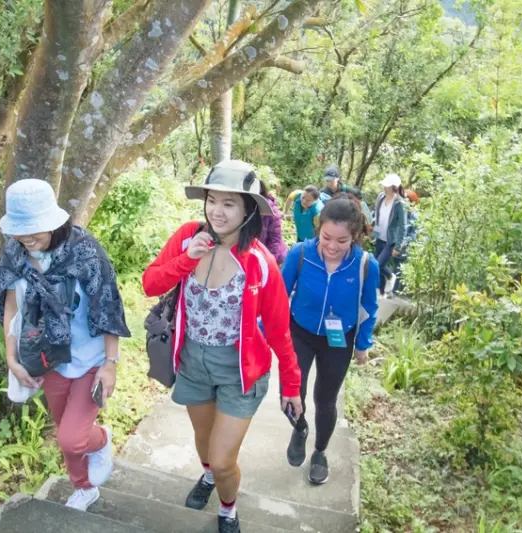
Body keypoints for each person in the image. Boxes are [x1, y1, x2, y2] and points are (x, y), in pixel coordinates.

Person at [143, 160, 302, 533]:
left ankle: (228, 510)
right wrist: (188, 259)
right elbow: (150, 283)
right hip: (192, 361)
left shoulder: (260, 263)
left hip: (239, 370)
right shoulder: (188, 237)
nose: (217, 211)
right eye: (212, 200)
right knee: (204, 445)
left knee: (223, 458)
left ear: (248, 210)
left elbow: (279, 331)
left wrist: (292, 385)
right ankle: (208, 477)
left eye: (229, 203)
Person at [0, 179, 131, 512]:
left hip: (90, 359)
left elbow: (108, 306)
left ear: (53, 222)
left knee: (72, 439)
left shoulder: (85, 252)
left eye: (34, 230)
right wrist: (12, 359)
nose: (27, 238)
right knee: (65, 433)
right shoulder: (14, 254)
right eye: (20, 231)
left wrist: (110, 363)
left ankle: (101, 439)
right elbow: (11, 309)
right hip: (49, 357)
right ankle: (83, 488)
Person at [282, 198, 380, 485]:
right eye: (326, 237)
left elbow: (369, 307)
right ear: (319, 228)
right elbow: (277, 297)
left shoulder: (365, 265)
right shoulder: (300, 254)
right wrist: (264, 332)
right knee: (290, 392)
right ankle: (300, 427)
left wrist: (362, 344)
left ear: (355, 236)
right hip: (300, 332)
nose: (332, 246)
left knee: (325, 400)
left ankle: (320, 452)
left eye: (342, 240)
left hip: (338, 339)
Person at [372, 173, 407, 297]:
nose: (385, 188)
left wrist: (398, 247)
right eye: (384, 185)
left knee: (378, 265)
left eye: (387, 186)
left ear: (394, 187)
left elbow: (403, 226)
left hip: (390, 240)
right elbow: (376, 216)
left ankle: (391, 276)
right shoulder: (380, 197)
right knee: (379, 268)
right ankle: (382, 293)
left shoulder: (399, 204)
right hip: (379, 237)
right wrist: (372, 232)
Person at [258, 179, 288, 265]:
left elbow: (275, 238)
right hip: (258, 255)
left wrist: (269, 262)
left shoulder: (270, 209)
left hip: (272, 255)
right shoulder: (246, 208)